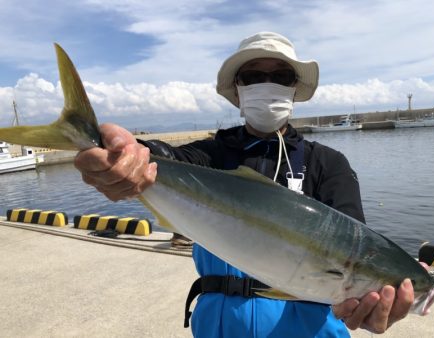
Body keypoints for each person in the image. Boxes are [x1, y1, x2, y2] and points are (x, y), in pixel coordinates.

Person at [75, 32, 415, 337]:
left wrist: (368, 305)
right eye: (253, 76)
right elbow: (164, 160)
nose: (267, 84)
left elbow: (357, 252)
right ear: (237, 91)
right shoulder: (213, 154)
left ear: (294, 88)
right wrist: (128, 155)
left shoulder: (328, 165)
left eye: (280, 76)